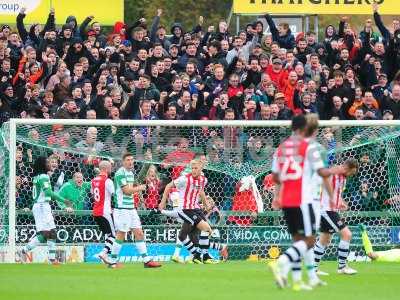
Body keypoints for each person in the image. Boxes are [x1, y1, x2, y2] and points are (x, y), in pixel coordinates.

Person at [268, 114, 334, 291]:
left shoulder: (281, 148)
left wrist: (276, 196)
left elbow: (275, 176)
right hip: (305, 200)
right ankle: (281, 263)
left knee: (297, 240)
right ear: (304, 128)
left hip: (286, 201)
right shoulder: (309, 147)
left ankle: (297, 281)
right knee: (309, 241)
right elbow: (322, 172)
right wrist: (337, 170)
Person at [110, 153, 161, 268]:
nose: (130, 162)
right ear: (123, 162)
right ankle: (112, 261)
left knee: (139, 233)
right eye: (128, 160)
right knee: (121, 234)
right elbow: (127, 191)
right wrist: (140, 188)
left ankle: (146, 260)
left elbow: (136, 182)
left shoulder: (130, 173)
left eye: (132, 160)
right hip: (122, 209)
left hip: (131, 208)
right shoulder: (120, 173)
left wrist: (148, 162)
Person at [159, 159, 215, 264]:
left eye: (196, 168)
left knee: (205, 231)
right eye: (192, 168)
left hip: (195, 209)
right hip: (185, 209)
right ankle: (200, 256)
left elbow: (201, 191)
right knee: (205, 229)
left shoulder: (204, 180)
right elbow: (168, 186)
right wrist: (163, 202)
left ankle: (200, 256)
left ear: (201, 169)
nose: (193, 170)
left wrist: (207, 205)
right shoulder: (184, 179)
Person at [314, 159, 359, 276]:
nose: (351, 175)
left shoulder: (343, 177)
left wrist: (341, 202)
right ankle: (342, 267)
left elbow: (336, 193)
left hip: (330, 210)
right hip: (326, 210)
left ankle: (313, 269)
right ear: (347, 168)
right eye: (352, 173)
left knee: (325, 239)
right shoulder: (337, 170)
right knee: (347, 234)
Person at [20, 157, 69, 264]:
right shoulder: (43, 176)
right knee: (51, 233)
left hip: (40, 206)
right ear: (43, 165)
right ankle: (51, 259)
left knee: (48, 234)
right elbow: (48, 193)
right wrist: (63, 200)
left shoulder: (38, 176)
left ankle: (24, 251)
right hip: (42, 206)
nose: (49, 164)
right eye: (47, 162)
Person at [91, 160, 116, 266]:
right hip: (105, 211)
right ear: (106, 169)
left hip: (96, 211)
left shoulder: (93, 180)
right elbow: (114, 195)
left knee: (107, 234)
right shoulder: (108, 181)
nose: (111, 169)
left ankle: (107, 260)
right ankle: (104, 253)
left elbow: (93, 195)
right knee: (113, 235)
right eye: (110, 167)